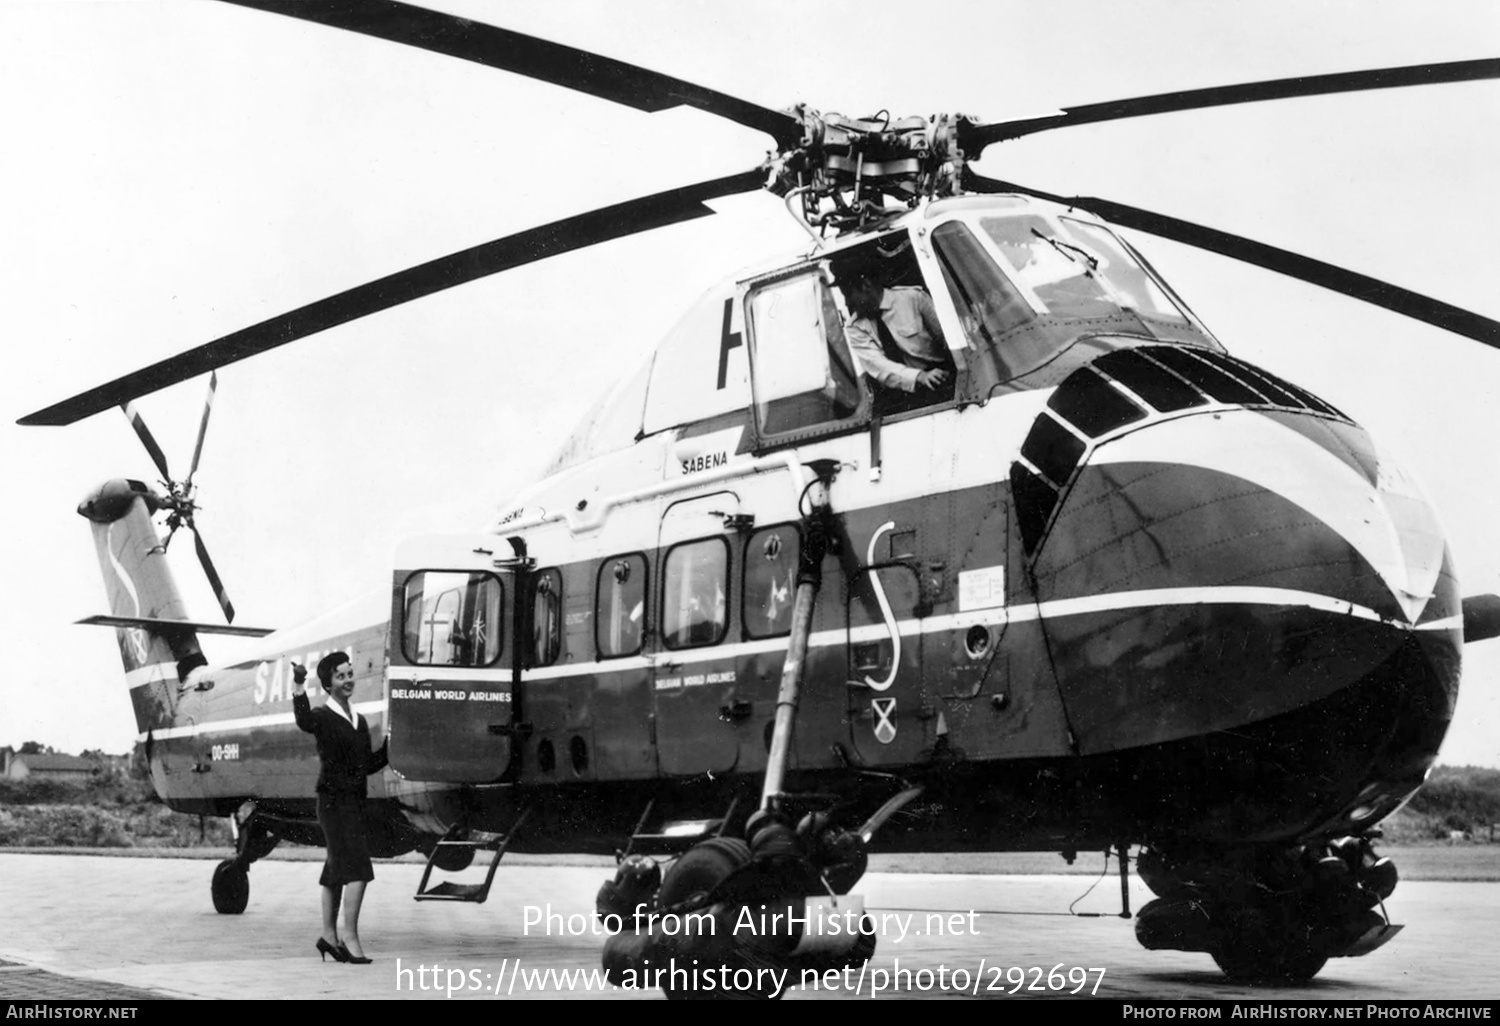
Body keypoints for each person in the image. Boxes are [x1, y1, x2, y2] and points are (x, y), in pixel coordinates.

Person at [293, 651, 388, 965]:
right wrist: (297, 684)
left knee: (335, 868)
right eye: (341, 676)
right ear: (328, 684)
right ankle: (349, 937)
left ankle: (327, 936)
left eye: (350, 674)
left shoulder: (358, 720)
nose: (348, 681)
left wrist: (390, 745)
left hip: (353, 802)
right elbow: (303, 720)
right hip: (333, 803)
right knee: (359, 868)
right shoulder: (321, 716)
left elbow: (367, 766)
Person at [831, 259, 954, 408]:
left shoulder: (913, 299)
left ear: (866, 285)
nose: (846, 303)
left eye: (848, 294)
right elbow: (880, 366)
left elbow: (949, 338)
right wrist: (919, 377)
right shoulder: (855, 327)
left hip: (942, 380)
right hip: (901, 396)